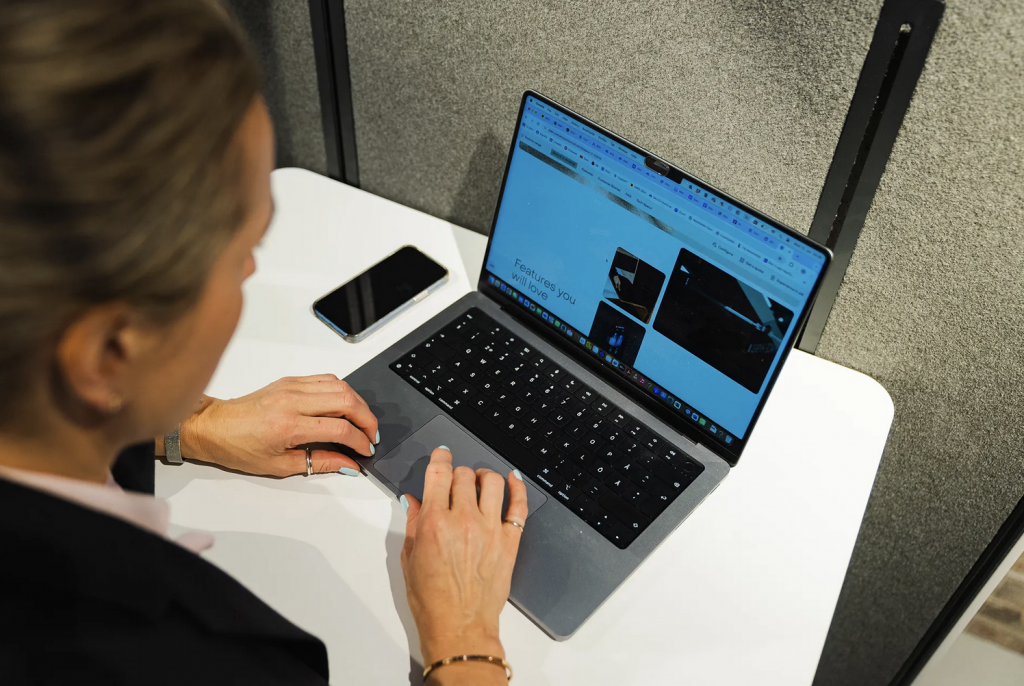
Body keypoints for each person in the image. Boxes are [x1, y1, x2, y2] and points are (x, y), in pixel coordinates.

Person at [0, 1, 526, 684]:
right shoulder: (187, 659)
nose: (253, 270)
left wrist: (193, 424)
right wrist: (464, 644)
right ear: (107, 356)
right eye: (240, 252)